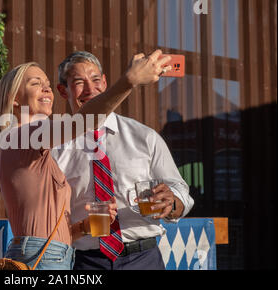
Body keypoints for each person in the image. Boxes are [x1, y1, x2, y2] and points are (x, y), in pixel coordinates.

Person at [0, 50, 171, 270]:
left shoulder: (32, 145)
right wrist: (129, 81)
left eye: (47, 83)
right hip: (42, 258)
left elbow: (52, 231)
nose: (46, 88)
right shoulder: (23, 136)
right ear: (15, 100)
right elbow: (84, 121)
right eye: (35, 83)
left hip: (56, 253)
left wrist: (85, 227)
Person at [52, 51, 195, 270]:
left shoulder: (145, 137)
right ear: (63, 91)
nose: (91, 89)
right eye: (79, 82)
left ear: (106, 82)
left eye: (96, 79)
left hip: (143, 259)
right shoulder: (56, 148)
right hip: (86, 262)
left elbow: (180, 190)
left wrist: (172, 202)